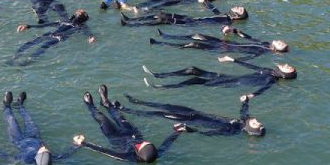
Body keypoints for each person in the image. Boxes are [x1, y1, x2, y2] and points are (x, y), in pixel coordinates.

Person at [100, 85, 265, 137]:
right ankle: (137, 102)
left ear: (251, 128)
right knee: (166, 105)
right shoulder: (243, 121)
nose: (257, 120)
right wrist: (246, 101)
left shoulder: (233, 129)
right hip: (195, 112)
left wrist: (189, 129)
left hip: (191, 119)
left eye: (256, 124)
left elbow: (209, 132)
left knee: (159, 114)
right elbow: (244, 113)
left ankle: (121, 109)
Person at [74, 93, 189, 163]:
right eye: (146, 142)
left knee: (102, 118)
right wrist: (177, 132)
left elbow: (106, 152)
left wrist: (84, 143)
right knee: (119, 116)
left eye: (141, 145)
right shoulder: (156, 154)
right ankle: (106, 102)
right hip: (132, 133)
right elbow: (166, 144)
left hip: (115, 138)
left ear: (138, 152)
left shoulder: (127, 157)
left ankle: (90, 105)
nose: (143, 142)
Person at [0, 91, 74, 165]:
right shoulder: (52, 158)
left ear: (38, 156)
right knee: (28, 119)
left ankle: (7, 105)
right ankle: (19, 105)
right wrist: (77, 144)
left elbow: (7, 157)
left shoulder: (27, 159)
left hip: (18, 140)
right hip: (34, 136)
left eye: (43, 150)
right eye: (48, 151)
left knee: (11, 120)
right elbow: (67, 154)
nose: (45, 148)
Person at [143, 57, 297, 96]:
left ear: (285, 74)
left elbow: (264, 88)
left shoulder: (271, 79)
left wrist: (251, 95)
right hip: (228, 76)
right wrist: (233, 60)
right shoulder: (268, 70)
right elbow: (252, 67)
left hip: (230, 83)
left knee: (196, 80)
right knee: (193, 69)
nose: (288, 65)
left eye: (289, 69)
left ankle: (160, 86)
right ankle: (158, 75)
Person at [11, 9, 96, 66]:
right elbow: (87, 32)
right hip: (58, 38)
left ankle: (16, 56)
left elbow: (45, 25)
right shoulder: (80, 26)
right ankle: (27, 61)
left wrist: (29, 26)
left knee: (31, 43)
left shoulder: (63, 21)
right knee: (44, 46)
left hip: (50, 34)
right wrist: (91, 37)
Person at [149, 27, 289, 56]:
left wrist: (231, 59)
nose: (281, 41)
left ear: (276, 50)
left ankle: (160, 43)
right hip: (222, 42)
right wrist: (234, 31)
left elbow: (248, 57)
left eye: (281, 44)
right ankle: (166, 36)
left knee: (193, 45)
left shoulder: (263, 51)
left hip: (223, 48)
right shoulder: (264, 44)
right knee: (197, 35)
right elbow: (248, 38)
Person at [120, 5, 248, 27]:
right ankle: (132, 19)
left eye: (239, 9)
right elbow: (215, 11)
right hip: (190, 18)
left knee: (162, 19)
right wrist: (205, 2)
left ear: (237, 16)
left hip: (190, 23)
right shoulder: (225, 16)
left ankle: (132, 25)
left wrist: (227, 31)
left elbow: (225, 30)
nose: (237, 6)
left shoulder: (227, 21)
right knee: (161, 14)